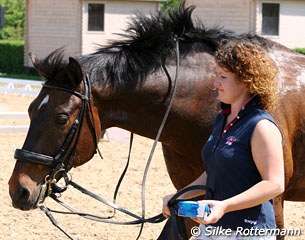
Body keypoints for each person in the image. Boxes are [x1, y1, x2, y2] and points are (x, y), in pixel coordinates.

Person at [162, 39, 285, 240]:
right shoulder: (222, 119)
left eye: (223, 76)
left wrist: (225, 206)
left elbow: (274, 184)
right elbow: (214, 171)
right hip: (214, 228)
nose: (215, 82)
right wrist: (180, 196)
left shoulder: (261, 126)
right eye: (216, 75)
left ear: (247, 80)